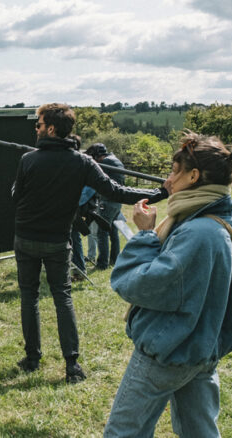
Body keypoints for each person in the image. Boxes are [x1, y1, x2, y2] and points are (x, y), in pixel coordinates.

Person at [104, 132, 232, 437]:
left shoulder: (199, 232)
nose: (168, 180)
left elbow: (141, 285)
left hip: (169, 350)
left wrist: (145, 235)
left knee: (123, 433)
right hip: (202, 350)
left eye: (175, 171)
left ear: (194, 176)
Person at [12, 103, 167, 384]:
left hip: (27, 238)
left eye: (38, 124)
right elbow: (116, 191)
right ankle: (71, 365)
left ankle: (32, 358)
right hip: (57, 240)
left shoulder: (28, 160)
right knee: (62, 297)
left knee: (29, 297)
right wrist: (160, 192)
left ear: (51, 128)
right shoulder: (82, 163)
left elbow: (15, 195)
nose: (35, 129)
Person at [84, 143, 126, 269]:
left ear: (97, 155)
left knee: (102, 233)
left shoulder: (105, 163)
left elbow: (96, 180)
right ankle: (114, 260)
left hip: (108, 201)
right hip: (117, 201)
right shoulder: (116, 160)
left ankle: (102, 264)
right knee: (113, 232)